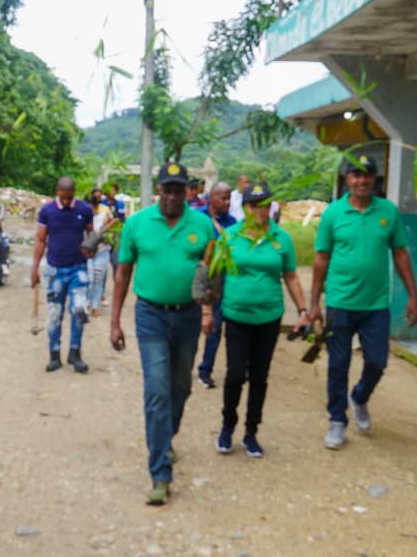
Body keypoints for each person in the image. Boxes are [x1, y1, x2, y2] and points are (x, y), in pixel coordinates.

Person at [110, 161, 216, 506]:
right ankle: (160, 474)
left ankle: (165, 436)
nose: (172, 195)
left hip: (187, 316)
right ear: (158, 190)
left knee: (180, 387)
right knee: (157, 389)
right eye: (167, 189)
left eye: (178, 189)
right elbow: (123, 272)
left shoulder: (203, 225)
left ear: (187, 191)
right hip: (151, 315)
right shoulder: (137, 224)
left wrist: (209, 304)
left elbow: (213, 272)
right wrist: (114, 321)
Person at [305, 155, 417, 450]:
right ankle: (337, 420)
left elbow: (400, 254)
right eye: (356, 175)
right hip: (340, 303)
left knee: (377, 361)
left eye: (367, 175)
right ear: (347, 179)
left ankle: (359, 397)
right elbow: (321, 259)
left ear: (375, 179)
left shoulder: (388, 212)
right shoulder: (333, 213)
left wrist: (413, 295)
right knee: (338, 364)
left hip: (376, 305)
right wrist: (314, 302)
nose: (362, 180)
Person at [212, 182, 307, 458]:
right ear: (244, 208)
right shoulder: (229, 237)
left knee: (259, 377)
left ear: (270, 207)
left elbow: (291, 276)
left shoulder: (281, 238)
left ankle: (251, 431)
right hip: (236, 316)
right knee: (235, 375)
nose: (258, 211)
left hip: (269, 318)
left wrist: (303, 310)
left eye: (264, 205)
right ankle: (228, 425)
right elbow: (214, 275)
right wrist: (207, 311)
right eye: (253, 205)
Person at [31, 176, 94, 373]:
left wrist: (92, 248)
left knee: (79, 311)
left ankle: (75, 353)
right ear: (57, 191)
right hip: (55, 270)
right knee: (54, 314)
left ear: (73, 193)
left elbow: (91, 234)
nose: (66, 201)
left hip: (78, 269)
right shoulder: (47, 211)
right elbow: (41, 240)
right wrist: (34, 268)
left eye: (69, 197)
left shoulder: (84, 210)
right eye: (63, 197)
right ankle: (54, 355)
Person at [195, 181, 237, 389]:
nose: (227, 202)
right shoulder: (197, 218)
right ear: (211, 198)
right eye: (223, 198)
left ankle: (205, 369)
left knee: (215, 327)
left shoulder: (232, 223)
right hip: (198, 280)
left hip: (221, 284)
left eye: (229, 198)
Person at [86, 187, 117, 316]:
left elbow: (113, 230)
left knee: (98, 279)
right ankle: (87, 303)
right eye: (95, 197)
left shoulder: (105, 212)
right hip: (87, 251)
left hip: (103, 250)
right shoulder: (85, 213)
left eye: (99, 197)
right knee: (89, 279)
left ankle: (94, 306)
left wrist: (110, 236)